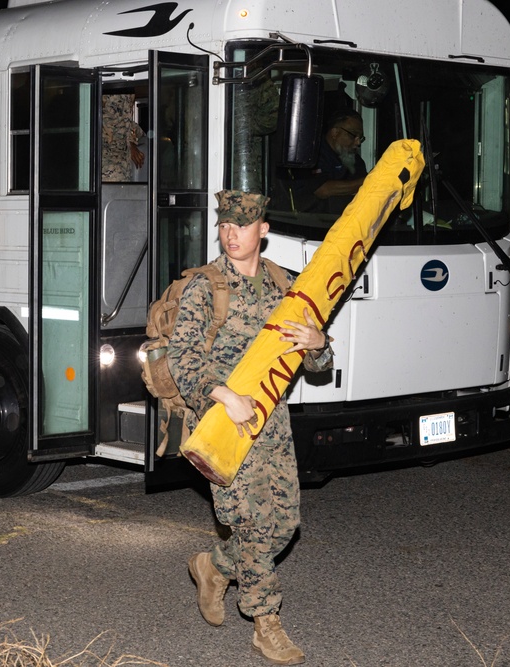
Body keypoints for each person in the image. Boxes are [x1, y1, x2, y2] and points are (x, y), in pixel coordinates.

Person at [166, 190, 333, 665]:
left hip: (273, 424)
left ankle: (215, 566)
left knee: (285, 525)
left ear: (263, 229)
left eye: (241, 225)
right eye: (224, 226)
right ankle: (266, 625)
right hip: (224, 425)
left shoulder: (286, 286)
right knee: (254, 525)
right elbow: (183, 359)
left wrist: (318, 342)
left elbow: (320, 362)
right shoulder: (206, 287)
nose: (231, 234)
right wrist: (224, 395)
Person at [285, 108, 367, 214]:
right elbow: (322, 189)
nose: (358, 142)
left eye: (360, 138)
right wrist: (370, 180)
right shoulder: (311, 155)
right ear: (335, 132)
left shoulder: (357, 161)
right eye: (353, 135)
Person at [101, 93, 145, 182]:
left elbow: (126, 121)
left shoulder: (128, 87)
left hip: (124, 165)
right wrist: (130, 143)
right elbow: (99, 121)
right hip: (108, 165)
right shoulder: (102, 88)